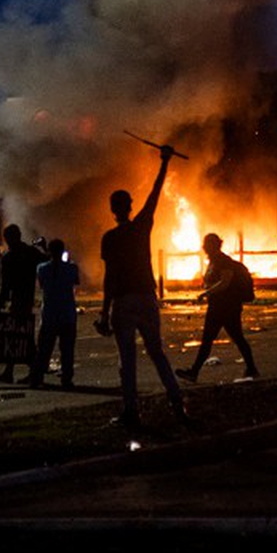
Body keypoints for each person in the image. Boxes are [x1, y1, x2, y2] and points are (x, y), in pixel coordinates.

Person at [98, 144, 188, 427]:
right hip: (147, 298)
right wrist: (164, 162)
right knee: (157, 353)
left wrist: (103, 311)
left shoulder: (110, 238)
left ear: (113, 209)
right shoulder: (141, 227)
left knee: (127, 359)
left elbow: (109, 277)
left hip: (124, 302)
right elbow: (155, 193)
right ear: (131, 206)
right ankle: (177, 404)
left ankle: (131, 411)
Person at [180, 232, 258, 381]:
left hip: (224, 307)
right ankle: (252, 368)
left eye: (206, 244)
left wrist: (206, 293)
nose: (204, 247)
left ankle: (194, 372)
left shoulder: (223, 261)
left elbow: (225, 282)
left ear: (212, 245)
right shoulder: (214, 261)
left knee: (211, 339)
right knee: (236, 338)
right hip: (220, 306)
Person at [0, 224, 45, 384]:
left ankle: (32, 372)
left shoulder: (9, 257)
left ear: (8, 238)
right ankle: (16, 371)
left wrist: (0, 306)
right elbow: (47, 260)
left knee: (19, 337)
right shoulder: (31, 252)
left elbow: (6, 286)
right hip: (27, 298)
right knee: (19, 336)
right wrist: (44, 247)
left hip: (18, 300)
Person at [25, 238, 80, 388]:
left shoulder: (42, 268)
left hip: (49, 314)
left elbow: (42, 285)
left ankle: (37, 378)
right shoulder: (72, 268)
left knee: (44, 349)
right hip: (67, 314)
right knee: (67, 350)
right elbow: (75, 282)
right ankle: (66, 380)